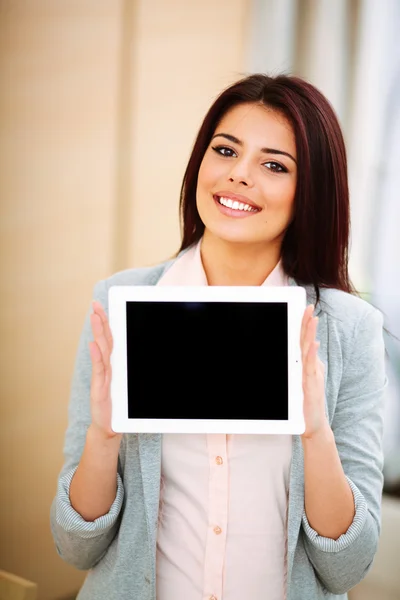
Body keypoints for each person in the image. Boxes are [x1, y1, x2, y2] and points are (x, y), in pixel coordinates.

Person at [50, 73, 387, 600]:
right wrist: (103, 436)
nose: (238, 175)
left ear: (310, 191)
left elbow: (348, 568)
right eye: (225, 150)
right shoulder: (120, 301)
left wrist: (316, 433)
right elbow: (75, 548)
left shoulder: (348, 329)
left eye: (274, 165)